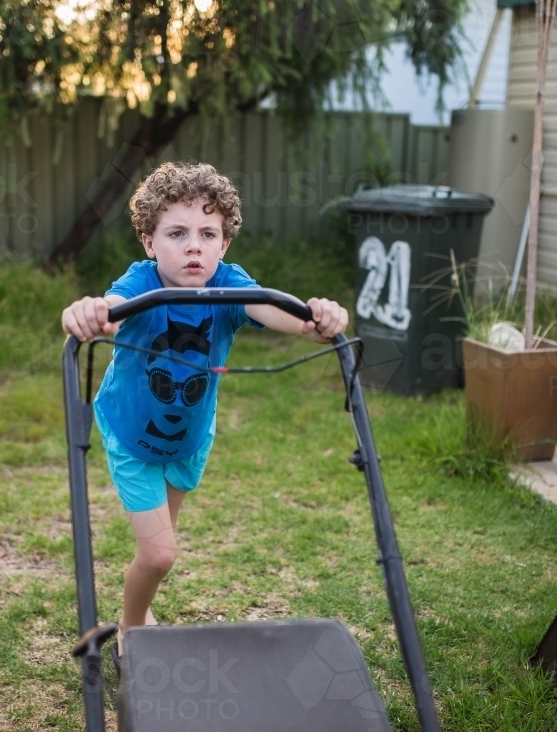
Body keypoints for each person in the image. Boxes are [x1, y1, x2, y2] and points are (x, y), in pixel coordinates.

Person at [61, 162, 348, 655]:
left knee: (158, 546)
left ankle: (139, 604)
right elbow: (108, 312)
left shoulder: (230, 286)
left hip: (189, 438)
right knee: (160, 554)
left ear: (224, 245)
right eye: (177, 232)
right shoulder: (141, 283)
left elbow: (275, 310)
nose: (193, 245)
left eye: (207, 233)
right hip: (132, 435)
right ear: (150, 242)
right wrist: (89, 312)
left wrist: (313, 318)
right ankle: (131, 627)